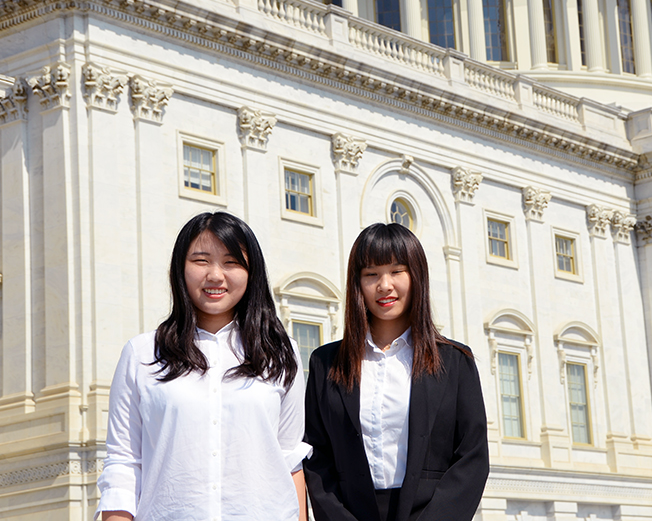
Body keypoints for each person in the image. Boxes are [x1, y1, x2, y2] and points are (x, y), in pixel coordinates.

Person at [96, 212, 310, 521]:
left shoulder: (279, 352)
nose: (215, 275)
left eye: (231, 262)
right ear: (180, 269)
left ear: (252, 272)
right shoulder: (142, 354)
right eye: (201, 261)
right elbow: (124, 461)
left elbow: (290, 457)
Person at [304, 223, 489, 521]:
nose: (384, 285)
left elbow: (472, 457)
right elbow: (317, 458)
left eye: (396, 271)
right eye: (371, 274)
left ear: (416, 277)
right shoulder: (326, 363)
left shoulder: (455, 361)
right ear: (358, 284)